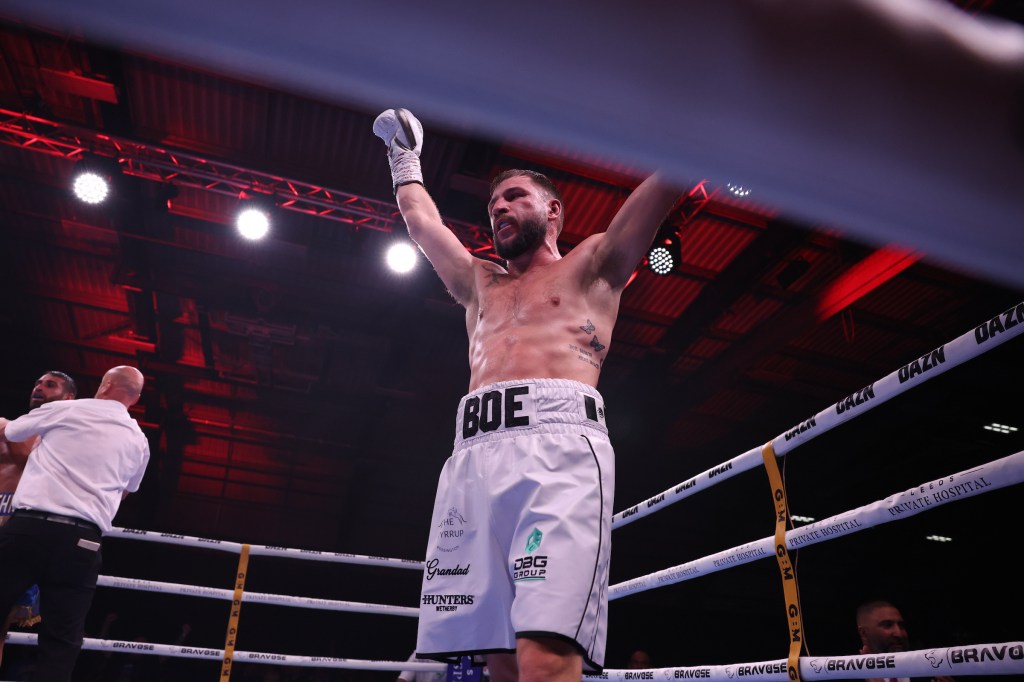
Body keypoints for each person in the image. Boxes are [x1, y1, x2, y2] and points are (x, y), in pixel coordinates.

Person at [373, 108, 687, 682]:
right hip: (475, 458)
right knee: (500, 661)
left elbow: (664, 186)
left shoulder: (592, 266)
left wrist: (698, 125)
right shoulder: (478, 283)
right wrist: (404, 158)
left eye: (514, 197)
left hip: (559, 451)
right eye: (493, 204)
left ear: (552, 211)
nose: (499, 208)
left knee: (545, 654)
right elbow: (422, 224)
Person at [0, 365, 150, 682]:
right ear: (134, 399)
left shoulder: (67, 410)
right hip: (84, 542)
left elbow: (12, 432)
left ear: (106, 384)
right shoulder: (139, 440)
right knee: (63, 639)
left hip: (32, 527)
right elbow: (126, 492)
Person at [0, 371, 78, 666]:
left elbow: (30, 463)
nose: (39, 388)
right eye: (37, 383)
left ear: (69, 398)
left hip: (19, 527)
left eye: (50, 385)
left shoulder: (62, 440)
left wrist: (8, 430)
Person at [856, 600, 954, 682]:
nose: (899, 633)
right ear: (864, 633)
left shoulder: (931, 669)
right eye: (887, 625)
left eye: (901, 626)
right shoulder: (845, 673)